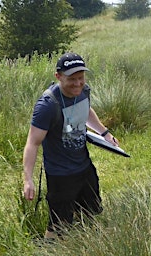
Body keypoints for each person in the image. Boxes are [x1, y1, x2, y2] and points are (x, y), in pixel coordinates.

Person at [22, 52, 119, 239]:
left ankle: (85, 245)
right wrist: (28, 180)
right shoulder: (48, 105)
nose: (77, 84)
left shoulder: (83, 91)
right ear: (58, 76)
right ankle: (49, 249)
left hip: (84, 167)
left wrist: (104, 132)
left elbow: (86, 109)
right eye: (72, 79)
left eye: (81, 78)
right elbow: (33, 143)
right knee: (59, 224)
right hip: (61, 175)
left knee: (92, 212)